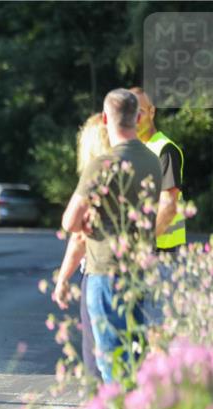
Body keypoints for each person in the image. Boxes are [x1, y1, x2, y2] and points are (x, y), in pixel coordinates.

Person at [60, 89, 162, 384]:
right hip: (139, 270)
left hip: (105, 271)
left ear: (105, 119)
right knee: (134, 354)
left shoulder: (102, 165)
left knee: (110, 360)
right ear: (139, 117)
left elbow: (69, 221)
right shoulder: (152, 162)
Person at [52, 112, 109, 380]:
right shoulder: (138, 165)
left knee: (95, 350)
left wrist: (63, 279)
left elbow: (75, 231)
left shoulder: (96, 172)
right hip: (137, 269)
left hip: (100, 271)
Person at [130, 87, 186, 252]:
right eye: (130, 113)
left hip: (162, 251)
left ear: (152, 111)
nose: (135, 119)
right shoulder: (135, 150)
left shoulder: (165, 150)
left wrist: (140, 243)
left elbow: (169, 207)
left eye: (140, 112)